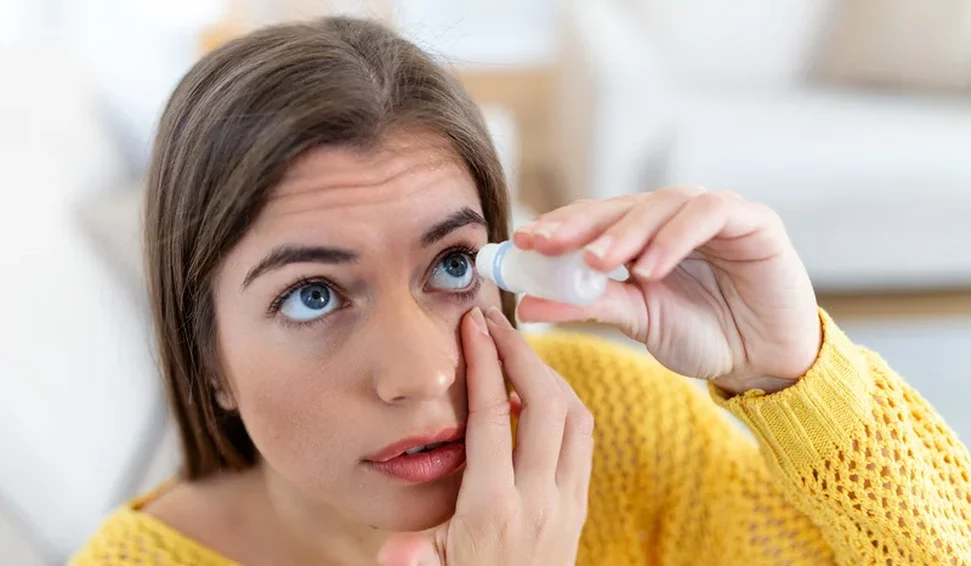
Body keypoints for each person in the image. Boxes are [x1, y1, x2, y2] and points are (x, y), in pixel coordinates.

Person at [70, 16, 970, 566]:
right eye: (312, 295)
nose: (424, 375)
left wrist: (796, 377)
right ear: (206, 355)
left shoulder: (611, 424)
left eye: (451, 265)